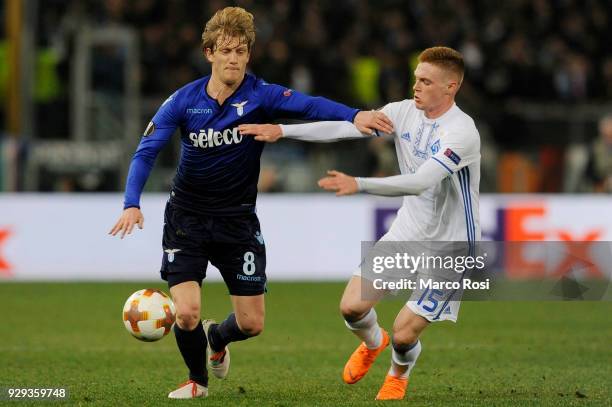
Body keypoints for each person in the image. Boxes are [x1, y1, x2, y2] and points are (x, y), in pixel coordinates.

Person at [108, 6, 392, 400]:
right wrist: (131, 202)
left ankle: (217, 337)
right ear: (209, 53)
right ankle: (197, 380)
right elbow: (146, 152)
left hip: (237, 223)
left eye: (241, 52)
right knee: (186, 312)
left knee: (252, 324)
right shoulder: (183, 101)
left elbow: (309, 106)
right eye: (226, 51)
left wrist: (355, 115)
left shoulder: (260, 95)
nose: (234, 59)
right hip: (186, 219)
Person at [239, 46, 481, 400]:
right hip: (408, 234)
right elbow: (346, 127)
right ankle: (373, 342)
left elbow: (420, 182)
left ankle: (399, 372)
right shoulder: (401, 112)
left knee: (403, 334)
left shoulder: (462, 132)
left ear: (451, 87)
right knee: (351, 307)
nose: (416, 86)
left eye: (426, 81)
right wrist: (281, 131)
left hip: (451, 246)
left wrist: (360, 184)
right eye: (416, 78)